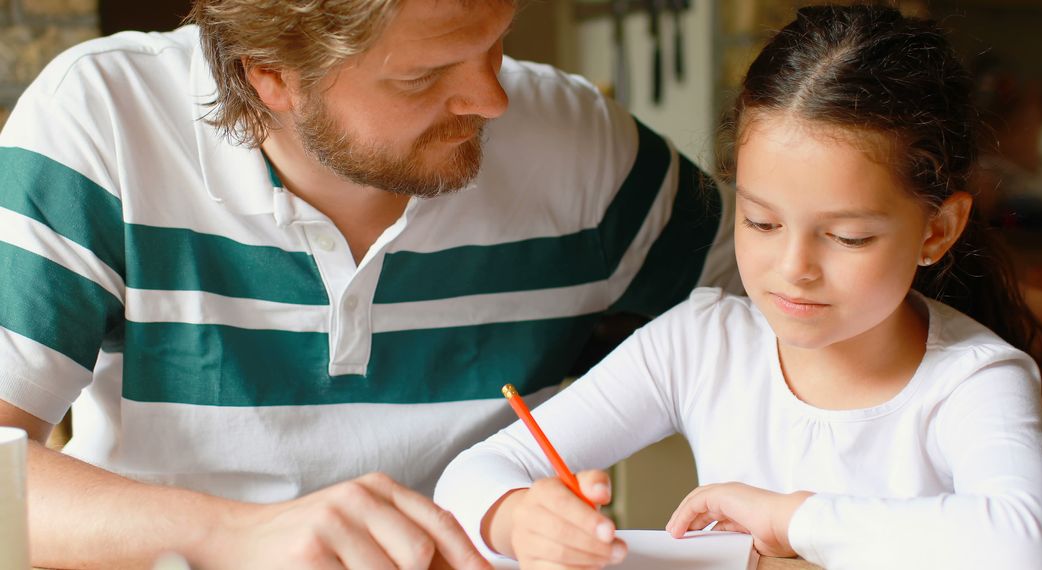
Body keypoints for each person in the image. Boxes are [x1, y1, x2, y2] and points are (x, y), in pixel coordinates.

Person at [0, 0, 740, 568]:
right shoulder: (100, 120)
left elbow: (798, 312)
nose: (492, 99)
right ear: (271, 75)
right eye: (422, 76)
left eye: (495, 45)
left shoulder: (583, 147)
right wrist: (235, 536)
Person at [434, 5, 1042, 570]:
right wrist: (520, 519)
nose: (793, 266)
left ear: (938, 230)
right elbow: (470, 475)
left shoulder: (973, 380)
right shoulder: (699, 343)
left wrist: (790, 518)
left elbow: (1028, 548)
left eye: (848, 237)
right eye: (760, 221)